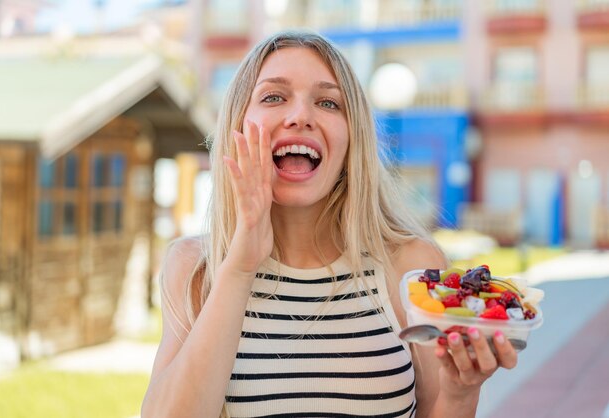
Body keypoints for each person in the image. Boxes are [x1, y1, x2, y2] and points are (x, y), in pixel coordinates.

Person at [141, 30, 518, 418]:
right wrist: (240, 265)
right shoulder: (194, 269)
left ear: (352, 139)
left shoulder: (409, 267)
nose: (301, 116)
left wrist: (460, 395)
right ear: (237, 126)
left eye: (327, 102)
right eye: (274, 96)